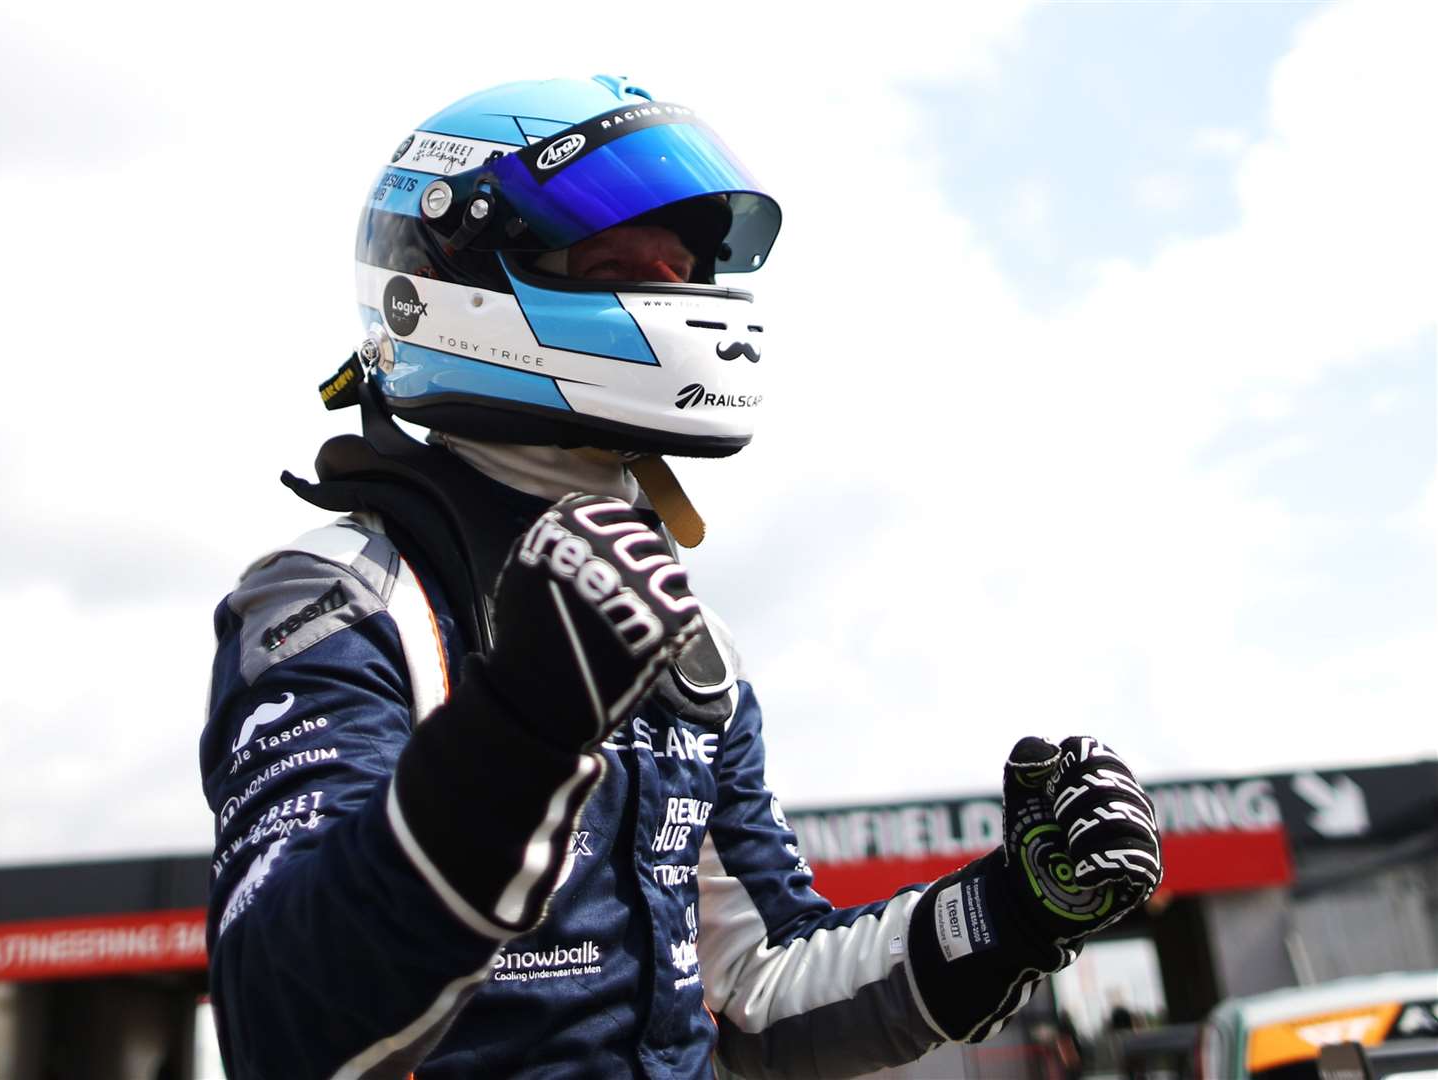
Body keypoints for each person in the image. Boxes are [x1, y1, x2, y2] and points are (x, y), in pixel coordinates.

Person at [199, 76, 1164, 1079]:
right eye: (621, 261)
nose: (677, 291)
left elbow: (761, 988)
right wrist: (521, 728)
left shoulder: (692, 645)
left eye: (687, 267)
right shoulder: (341, 600)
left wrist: (1012, 910)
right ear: (457, 277)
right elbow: (282, 1020)